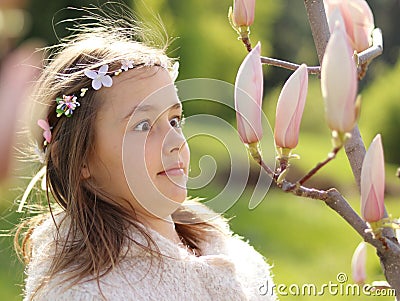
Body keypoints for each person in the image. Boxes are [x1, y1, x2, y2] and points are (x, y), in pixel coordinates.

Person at [15, 10, 277, 301]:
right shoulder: (89, 292)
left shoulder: (227, 250)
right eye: (143, 125)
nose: (176, 141)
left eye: (175, 120)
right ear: (81, 160)